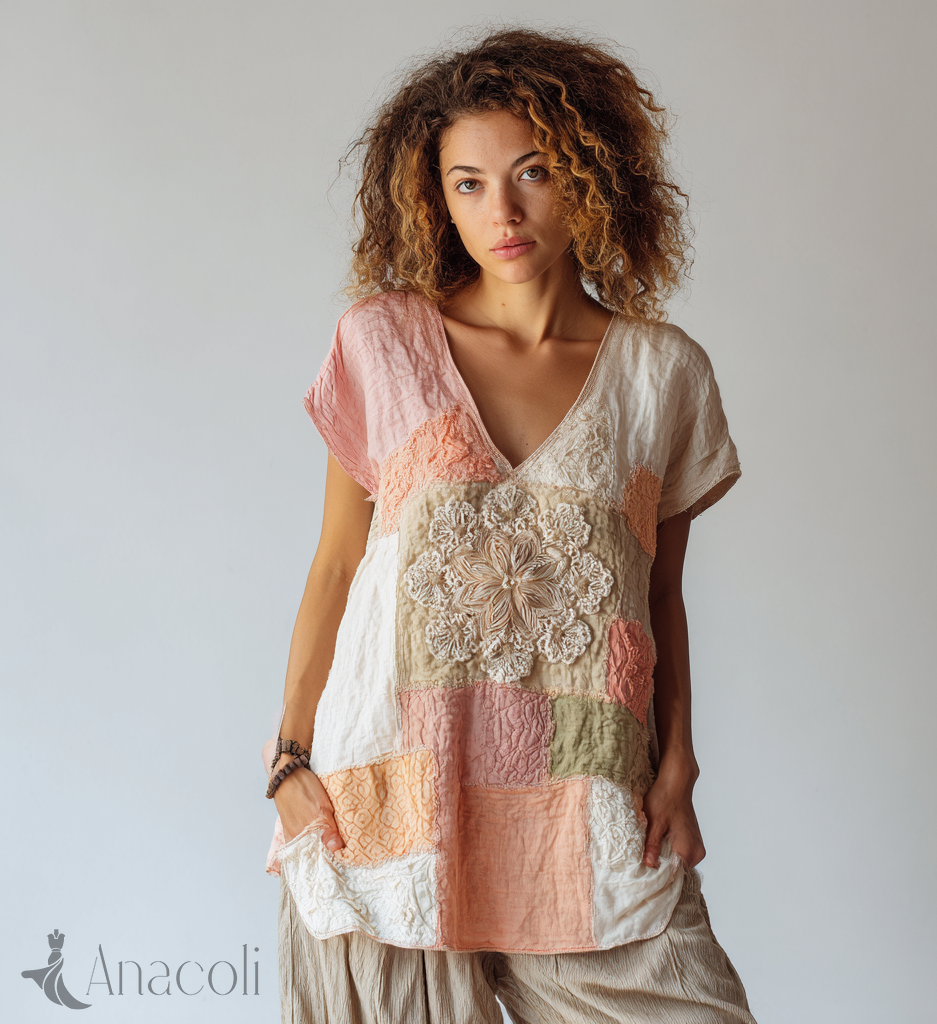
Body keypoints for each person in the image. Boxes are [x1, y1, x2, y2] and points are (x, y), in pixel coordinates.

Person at [262, 26, 758, 1024]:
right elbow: (337, 565)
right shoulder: (382, 344)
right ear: (436, 200)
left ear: (589, 175)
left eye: (534, 171)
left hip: (590, 805)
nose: (505, 211)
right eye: (469, 184)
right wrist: (286, 761)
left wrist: (678, 760)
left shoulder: (661, 374)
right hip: (389, 798)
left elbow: (659, 592)